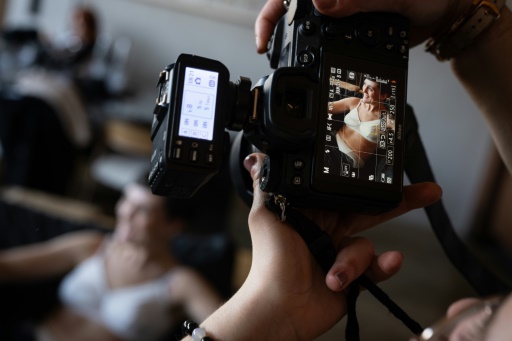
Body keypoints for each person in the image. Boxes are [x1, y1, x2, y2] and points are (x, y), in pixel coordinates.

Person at [178, 0, 512, 340]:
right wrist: (466, 18)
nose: (454, 315)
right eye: (486, 318)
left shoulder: (372, 116)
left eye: (477, 333)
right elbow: (332, 108)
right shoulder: (357, 104)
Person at [0, 178, 223, 341]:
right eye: (125, 199)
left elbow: (229, 329)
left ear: (172, 226)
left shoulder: (180, 282)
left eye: (142, 210)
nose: (126, 213)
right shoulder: (93, 245)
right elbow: (9, 266)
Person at [326, 77, 394, 171]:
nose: (364, 90)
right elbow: (328, 107)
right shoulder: (355, 102)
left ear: (383, 96)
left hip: (346, 159)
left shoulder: (385, 119)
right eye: (365, 84)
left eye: (370, 89)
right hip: (331, 141)